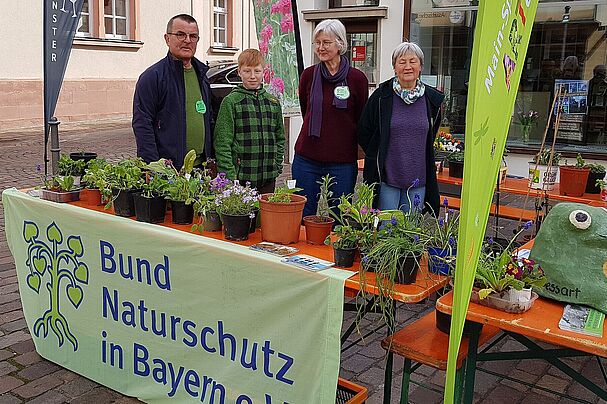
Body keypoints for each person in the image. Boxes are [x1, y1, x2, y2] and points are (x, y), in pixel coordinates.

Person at [292, 19, 369, 217]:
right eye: (317, 43)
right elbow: (305, 110)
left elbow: (360, 118)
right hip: (307, 157)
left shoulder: (357, 79)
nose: (321, 47)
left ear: (340, 44)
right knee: (303, 214)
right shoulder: (308, 75)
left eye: (326, 42)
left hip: (342, 161)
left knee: (339, 216)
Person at [358, 42, 444, 215]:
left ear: (420, 66)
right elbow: (364, 131)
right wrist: (377, 153)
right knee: (386, 231)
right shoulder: (382, 96)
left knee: (411, 233)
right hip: (387, 179)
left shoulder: (432, 100)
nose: (407, 67)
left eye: (413, 61)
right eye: (402, 62)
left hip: (418, 179)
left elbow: (430, 134)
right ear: (394, 67)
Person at [132, 14, 213, 170]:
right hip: (169, 171)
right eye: (180, 34)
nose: (187, 40)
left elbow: (208, 120)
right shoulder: (153, 77)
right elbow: (143, 125)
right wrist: (154, 168)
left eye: (193, 36)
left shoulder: (202, 76)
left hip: (200, 169)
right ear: (167, 39)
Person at [213, 49, 285, 194]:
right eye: (247, 71)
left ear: (263, 72)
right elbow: (222, 143)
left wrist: (276, 165)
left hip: (268, 177)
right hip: (241, 177)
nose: (252, 76)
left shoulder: (272, 102)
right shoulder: (231, 102)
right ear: (239, 72)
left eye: (257, 71)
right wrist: (229, 176)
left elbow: (280, 138)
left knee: (266, 216)